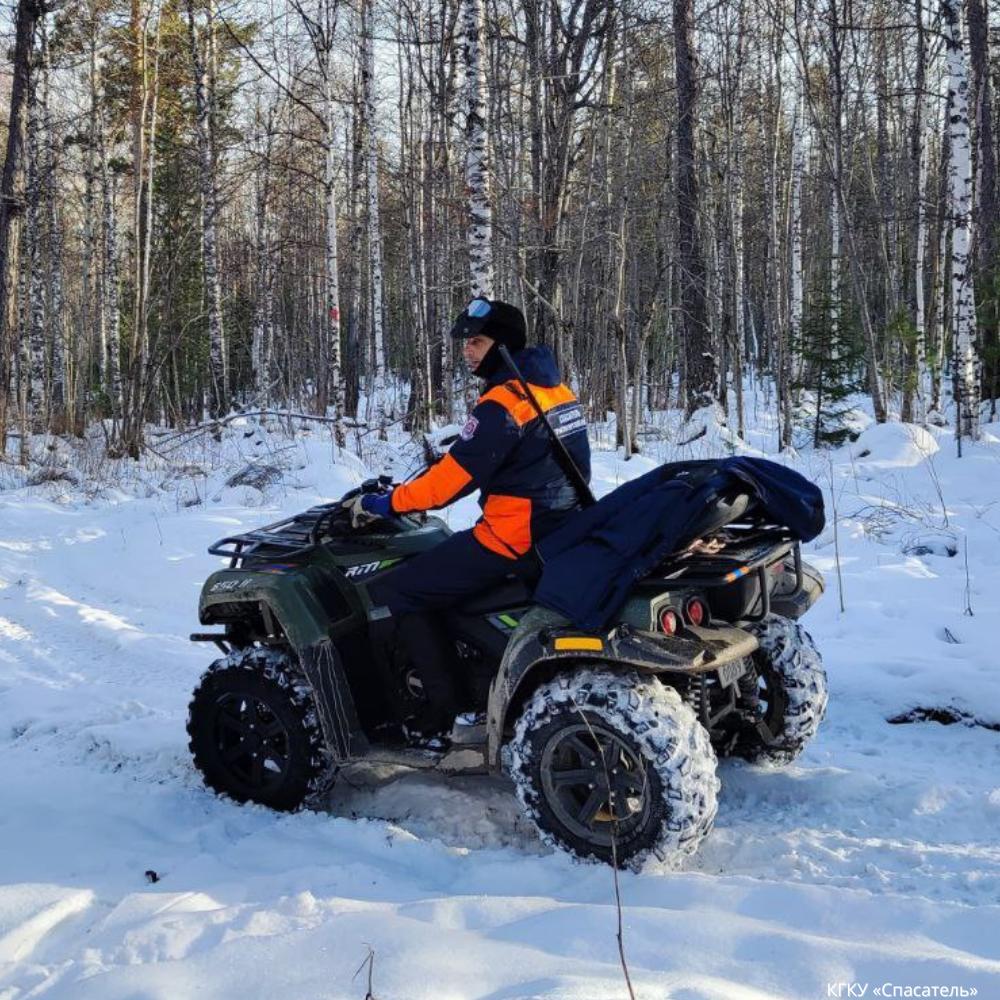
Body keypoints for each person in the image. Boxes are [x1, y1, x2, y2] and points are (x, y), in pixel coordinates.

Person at [355, 298, 590, 738]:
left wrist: (389, 504)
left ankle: (442, 709)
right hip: (560, 526)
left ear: (502, 345)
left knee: (401, 588)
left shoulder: (502, 403)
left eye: (477, 342)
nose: (467, 351)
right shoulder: (556, 390)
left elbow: (447, 485)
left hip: (512, 537)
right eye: (466, 342)